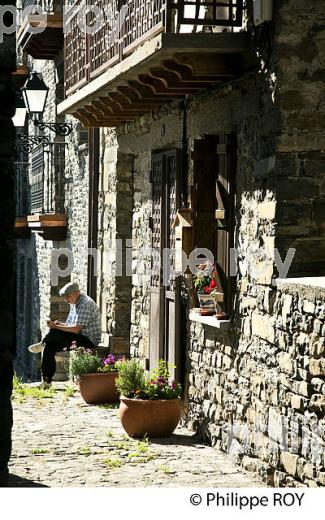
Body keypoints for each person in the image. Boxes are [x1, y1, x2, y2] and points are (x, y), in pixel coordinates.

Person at [28, 282, 101, 389]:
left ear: (76, 293)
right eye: (65, 298)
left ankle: (43, 343)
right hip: (77, 336)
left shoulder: (86, 304)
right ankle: (47, 381)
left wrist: (56, 327)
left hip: (88, 340)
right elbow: (70, 326)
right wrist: (60, 324)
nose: (66, 300)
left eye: (68, 297)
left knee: (54, 332)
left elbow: (76, 329)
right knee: (50, 346)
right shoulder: (75, 303)